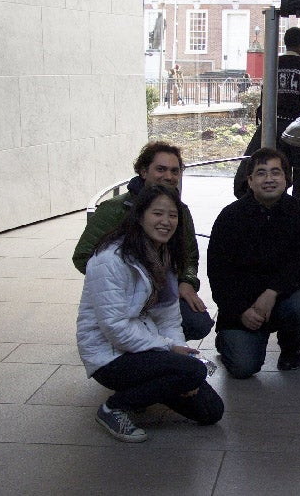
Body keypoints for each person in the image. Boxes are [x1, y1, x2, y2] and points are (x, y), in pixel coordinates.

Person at [76, 185, 224, 443]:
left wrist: (178, 350)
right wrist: (170, 352)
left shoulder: (164, 256)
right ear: (140, 215)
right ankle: (115, 407)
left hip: (144, 346)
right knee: (192, 372)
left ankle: (151, 387)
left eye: (172, 215)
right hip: (109, 355)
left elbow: (169, 318)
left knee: (211, 410)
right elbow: (114, 327)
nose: (166, 222)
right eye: (158, 214)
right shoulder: (110, 259)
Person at [72, 141, 213, 342]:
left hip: (163, 293)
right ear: (143, 171)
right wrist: (124, 282)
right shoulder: (112, 210)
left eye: (175, 171)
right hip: (124, 292)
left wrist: (186, 282)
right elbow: (82, 255)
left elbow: (189, 255)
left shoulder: (181, 211)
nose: (169, 176)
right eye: (161, 169)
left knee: (198, 322)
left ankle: (158, 341)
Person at [208, 147, 300, 378]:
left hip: (283, 299)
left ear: (286, 178)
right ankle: (228, 341)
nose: (269, 179)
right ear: (249, 181)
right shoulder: (230, 218)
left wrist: (272, 291)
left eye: (275, 172)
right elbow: (218, 274)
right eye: (261, 173)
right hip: (243, 306)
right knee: (243, 368)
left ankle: (290, 349)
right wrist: (240, 311)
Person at [234, 27, 300, 203]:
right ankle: (296, 215)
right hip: (298, 131)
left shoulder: (273, 65)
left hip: (271, 129)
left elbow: (265, 96)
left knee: (269, 171)